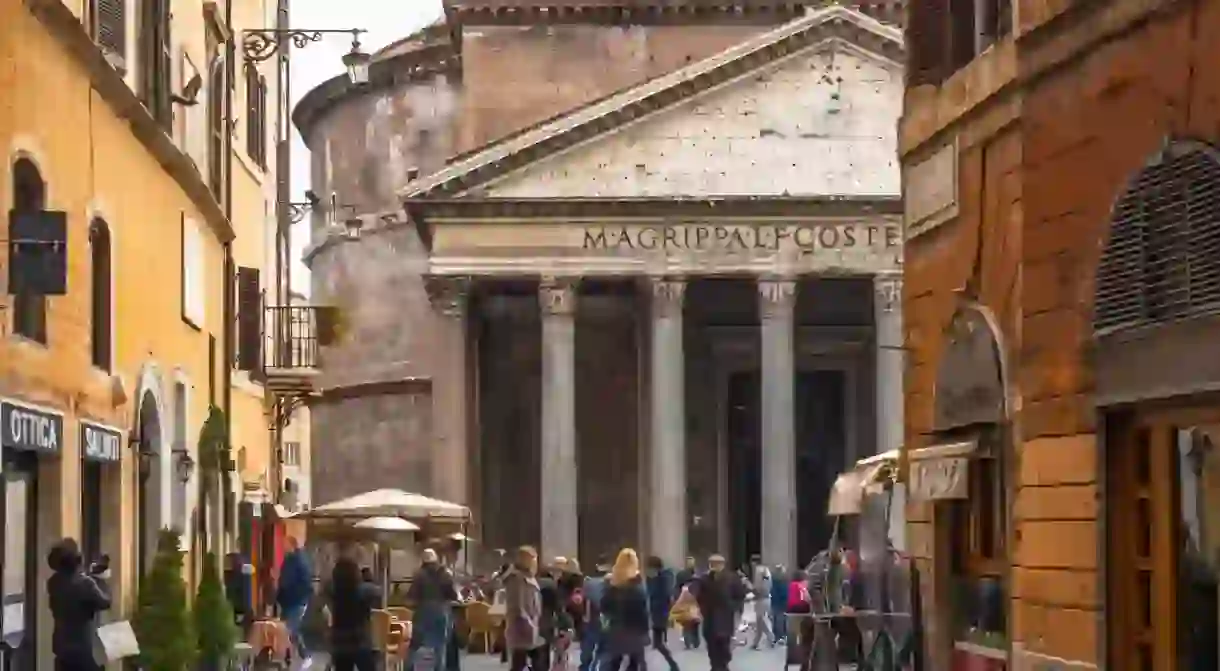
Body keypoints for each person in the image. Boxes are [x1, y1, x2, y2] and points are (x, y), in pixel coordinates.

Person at [47, 539, 111, 671]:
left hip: (61, 649)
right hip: (83, 651)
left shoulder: (53, 582)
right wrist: (101, 580)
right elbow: (105, 602)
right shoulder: (85, 584)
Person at [324, 554, 382, 671]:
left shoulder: (333, 590)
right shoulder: (364, 591)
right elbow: (377, 592)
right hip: (360, 639)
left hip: (340, 640)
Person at [405, 548, 459, 671]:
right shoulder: (446, 574)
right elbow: (453, 595)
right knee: (440, 646)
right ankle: (438, 668)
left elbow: (411, 598)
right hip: (441, 611)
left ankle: (408, 668)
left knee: (415, 644)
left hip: (423, 612)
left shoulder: (419, 575)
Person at [599, 549, 651, 671]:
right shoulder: (637, 586)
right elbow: (642, 611)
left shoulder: (612, 585)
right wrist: (645, 631)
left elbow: (604, 606)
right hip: (634, 630)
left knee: (614, 662)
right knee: (636, 662)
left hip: (616, 629)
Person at [692, 554, 745, 671]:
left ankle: (723, 665)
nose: (715, 566)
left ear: (723, 565)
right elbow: (697, 595)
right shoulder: (704, 579)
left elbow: (740, 595)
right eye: (712, 564)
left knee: (724, 647)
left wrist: (733, 607)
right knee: (712, 648)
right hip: (710, 619)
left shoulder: (732, 578)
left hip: (725, 618)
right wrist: (702, 608)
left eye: (717, 564)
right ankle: (716, 666)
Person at [504, 546, 548, 671]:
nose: (536, 564)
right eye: (533, 560)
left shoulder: (529, 577)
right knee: (520, 662)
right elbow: (517, 605)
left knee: (533, 661)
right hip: (521, 628)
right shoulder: (516, 579)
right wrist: (527, 624)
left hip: (532, 625)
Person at [276, 536, 313, 659]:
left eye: (285, 544)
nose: (283, 546)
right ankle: (293, 655)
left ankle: (294, 655)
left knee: (289, 629)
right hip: (289, 601)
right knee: (289, 630)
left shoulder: (299, 560)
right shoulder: (290, 559)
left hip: (296, 601)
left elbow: (304, 582)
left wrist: (288, 590)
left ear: (292, 544)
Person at [644, 556, 681, 671]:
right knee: (656, 644)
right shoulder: (651, 578)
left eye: (649, 568)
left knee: (657, 643)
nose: (647, 571)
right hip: (653, 613)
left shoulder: (664, 578)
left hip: (660, 614)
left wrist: (666, 616)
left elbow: (666, 596)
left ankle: (673, 665)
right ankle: (672, 664)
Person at [579, 555, 611, 671]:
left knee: (588, 647)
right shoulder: (611, 581)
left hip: (592, 618)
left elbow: (585, 601)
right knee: (605, 649)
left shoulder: (588, 582)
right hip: (607, 619)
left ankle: (586, 667)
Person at [748, 555, 776, 649]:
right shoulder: (765, 570)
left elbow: (759, 586)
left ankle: (771, 638)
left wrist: (752, 589)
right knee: (759, 622)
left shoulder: (758, 571)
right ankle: (756, 642)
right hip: (765, 597)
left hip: (761, 598)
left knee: (762, 620)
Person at [674, 557, 700, 649]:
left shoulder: (697, 575)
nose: (691, 564)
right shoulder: (682, 574)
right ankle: (688, 642)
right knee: (686, 622)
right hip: (685, 600)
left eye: (692, 562)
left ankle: (695, 641)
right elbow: (677, 587)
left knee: (695, 622)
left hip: (695, 600)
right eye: (689, 562)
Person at [770, 565, 788, 644]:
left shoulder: (773, 580)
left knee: (775, 619)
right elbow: (785, 592)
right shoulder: (783, 580)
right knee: (781, 619)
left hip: (775, 602)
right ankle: (781, 636)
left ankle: (776, 636)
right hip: (782, 602)